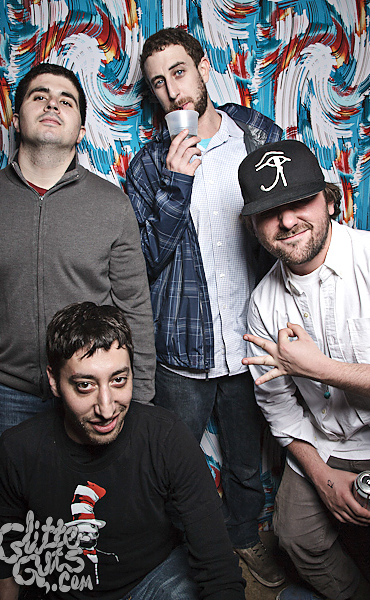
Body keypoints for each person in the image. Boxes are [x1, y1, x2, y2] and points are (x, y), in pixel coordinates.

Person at [126, 27, 284, 588]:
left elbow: (293, 223)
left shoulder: (257, 136)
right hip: (181, 349)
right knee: (169, 465)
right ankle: (179, 559)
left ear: (202, 69)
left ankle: (243, 539)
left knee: (245, 462)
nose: (172, 91)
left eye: (179, 72)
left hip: (251, 342)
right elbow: (143, 261)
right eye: (158, 83)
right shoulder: (149, 165)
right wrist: (176, 183)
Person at [0, 302, 246, 600]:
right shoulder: (17, 451)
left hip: (152, 580)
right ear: (54, 381)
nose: (107, 408)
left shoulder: (166, 438)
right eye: (85, 385)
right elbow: (4, 560)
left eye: (118, 380)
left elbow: (218, 566)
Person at [239, 139, 370, 600]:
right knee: (296, 537)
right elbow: (280, 410)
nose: (286, 222)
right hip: (327, 444)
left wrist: (319, 368)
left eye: (299, 202)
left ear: (329, 200)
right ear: (254, 226)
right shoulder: (262, 304)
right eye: (269, 212)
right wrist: (322, 479)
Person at [0, 63, 155, 450]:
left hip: (92, 394)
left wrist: (141, 399)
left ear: (81, 130)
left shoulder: (113, 204)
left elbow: (134, 306)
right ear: (16, 121)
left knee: (91, 490)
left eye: (66, 101)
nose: (52, 104)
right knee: (10, 489)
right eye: (39, 96)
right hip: (5, 392)